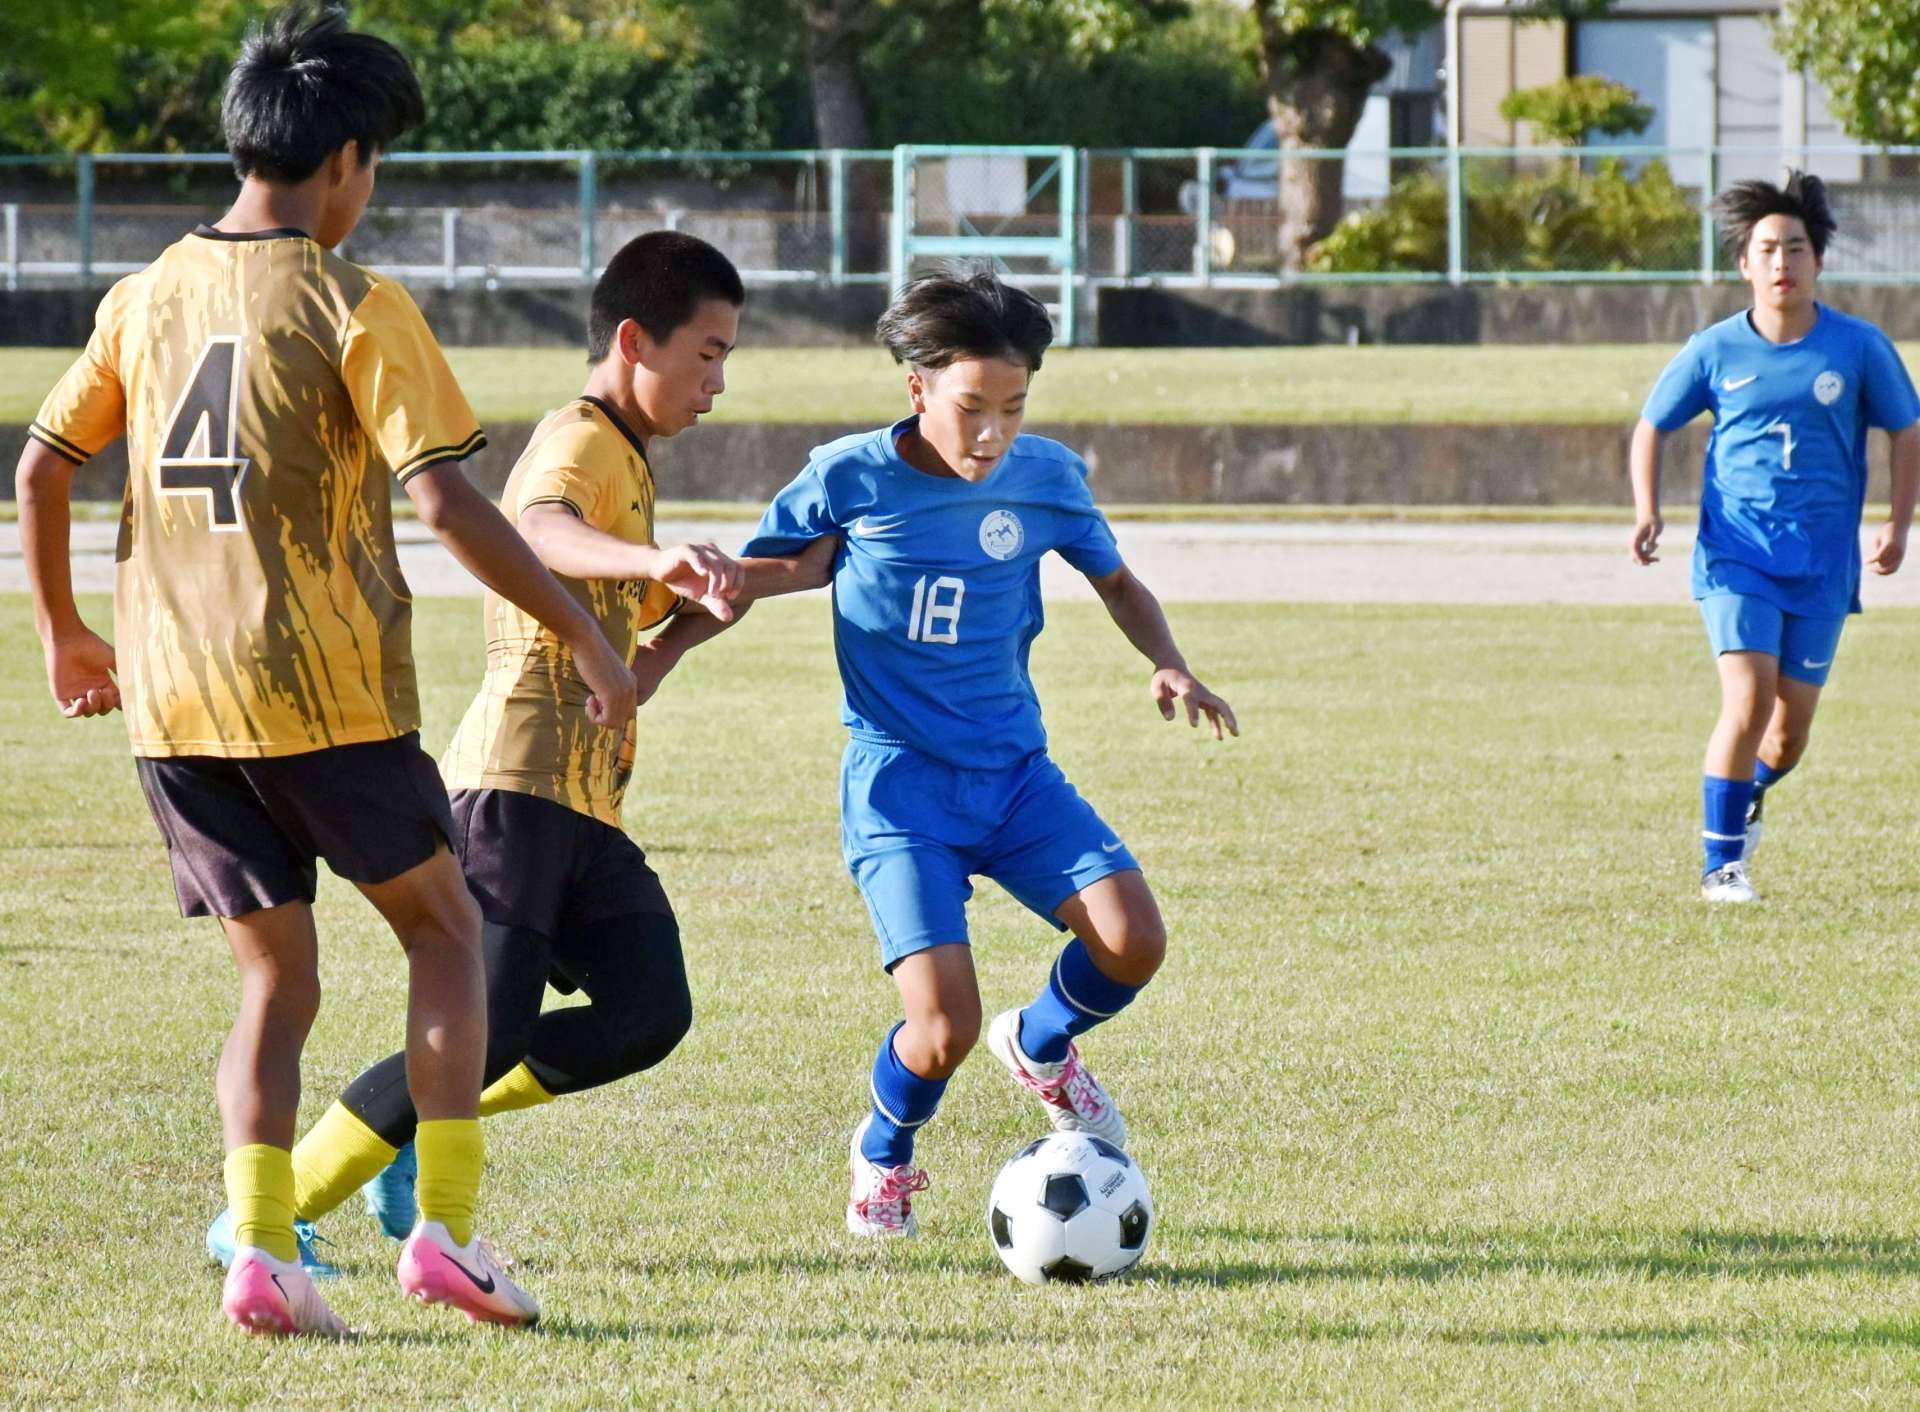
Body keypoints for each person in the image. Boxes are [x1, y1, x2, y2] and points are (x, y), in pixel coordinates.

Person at [14, 4, 638, 1335]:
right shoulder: (355, 300)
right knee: (447, 937)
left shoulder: (143, 297)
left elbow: (42, 463)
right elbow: (454, 507)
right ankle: (446, 1239)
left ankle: (258, 1255)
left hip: (176, 710)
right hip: (325, 700)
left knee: (275, 982)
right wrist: (586, 631)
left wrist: (65, 632)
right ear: (348, 159)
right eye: (379, 169)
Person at [213, 232, 836, 1254]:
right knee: (488, 1027)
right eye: (710, 352)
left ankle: (409, 1121)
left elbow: (629, 661)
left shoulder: (629, 462)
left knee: (646, 1011)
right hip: (510, 790)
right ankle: (261, 1217)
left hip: (585, 805)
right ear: (635, 339)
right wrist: (656, 558)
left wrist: (745, 591)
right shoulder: (583, 438)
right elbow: (535, 527)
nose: (720, 381)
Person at [636, 268, 1237, 1236]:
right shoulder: (848, 476)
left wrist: (1169, 660)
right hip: (900, 791)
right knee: (943, 1027)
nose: (993, 431)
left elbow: (1120, 583)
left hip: (1015, 778)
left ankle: (1043, 1046)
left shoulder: (1045, 478)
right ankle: (883, 1148)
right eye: (972, 407)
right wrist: (652, 660)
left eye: (1014, 406)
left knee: (1134, 938)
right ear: (917, 388)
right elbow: (755, 576)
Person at [1630, 172, 1920, 903]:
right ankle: (1721, 868)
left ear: (1818, 260)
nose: (1782, 262)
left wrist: (1898, 522)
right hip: (1737, 556)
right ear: (1744, 264)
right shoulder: (1714, 350)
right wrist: (1647, 509)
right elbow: (1652, 427)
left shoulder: (1858, 348)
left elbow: (1907, 430)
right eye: (1767, 249)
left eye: (1796, 247)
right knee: (1747, 700)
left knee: (1787, 738)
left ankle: (1749, 793)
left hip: (1822, 565)